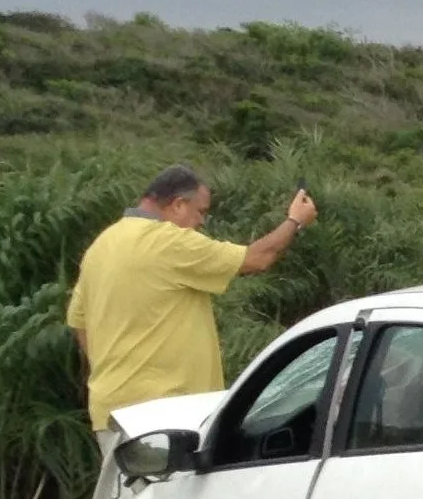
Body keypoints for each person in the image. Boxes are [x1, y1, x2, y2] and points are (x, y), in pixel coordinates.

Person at [68, 165, 319, 454]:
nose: (201, 221)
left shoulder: (102, 245)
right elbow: (257, 258)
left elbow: (79, 323)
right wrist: (295, 221)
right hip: (164, 413)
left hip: (110, 410)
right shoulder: (168, 241)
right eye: (200, 211)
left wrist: (112, 370)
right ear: (177, 204)